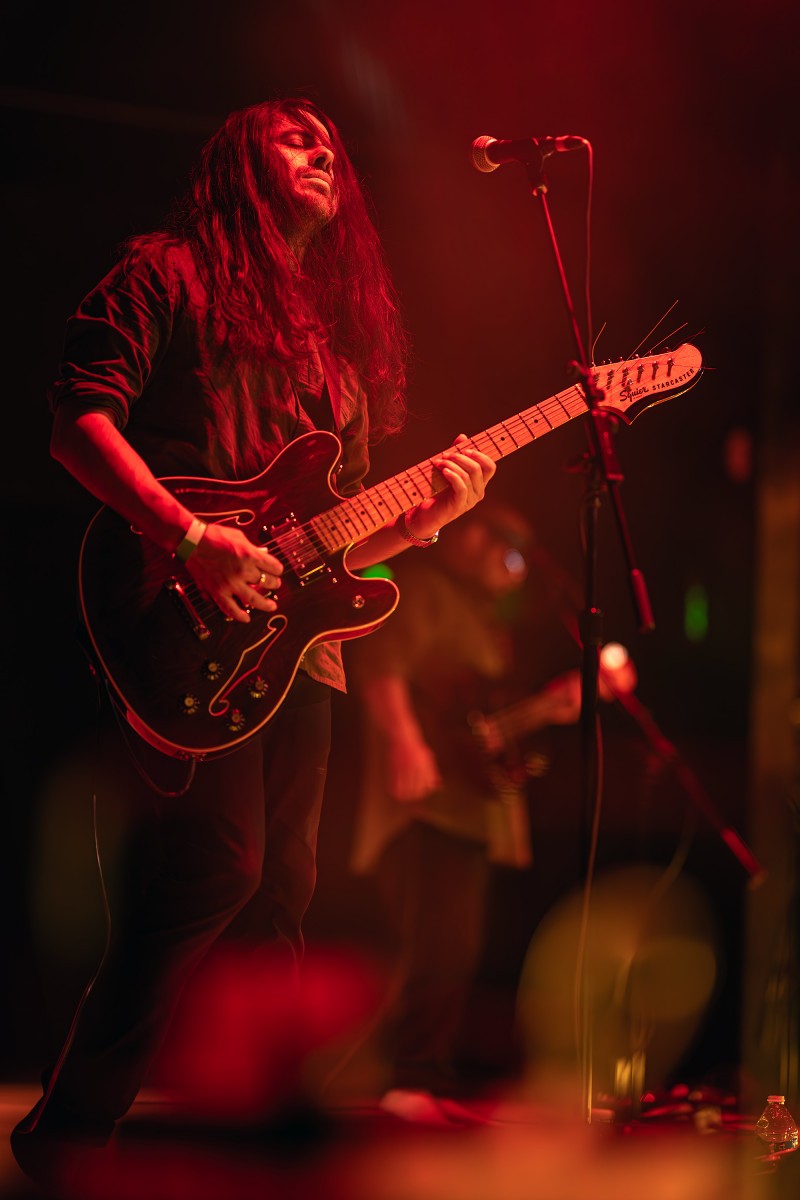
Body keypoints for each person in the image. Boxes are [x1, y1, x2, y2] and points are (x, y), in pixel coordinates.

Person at [12, 97, 496, 1167]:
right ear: (240, 161)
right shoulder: (167, 271)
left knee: (283, 892)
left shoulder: (337, 347)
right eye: (294, 136)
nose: (323, 150)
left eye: (331, 144)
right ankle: (72, 1133)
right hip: (175, 603)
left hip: (295, 650)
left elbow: (338, 537)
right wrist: (191, 538)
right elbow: (77, 425)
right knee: (215, 867)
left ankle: (258, 1147)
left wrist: (426, 519)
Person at [348, 501, 584, 1119]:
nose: (510, 565)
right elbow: (380, 667)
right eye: (501, 547)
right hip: (425, 808)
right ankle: (404, 1079)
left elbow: (479, 727)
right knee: (433, 946)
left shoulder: (486, 623)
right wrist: (405, 741)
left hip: (467, 810)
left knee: (455, 948)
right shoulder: (423, 590)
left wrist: (548, 708)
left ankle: (419, 1079)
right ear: (468, 538)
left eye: (517, 556)